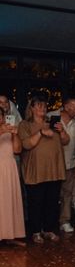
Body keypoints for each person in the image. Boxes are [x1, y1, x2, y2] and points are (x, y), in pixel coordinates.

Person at [18, 95, 69, 243]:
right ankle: (35, 231)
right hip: (36, 170)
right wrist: (40, 133)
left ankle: (48, 229)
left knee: (52, 202)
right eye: (39, 105)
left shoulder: (52, 122)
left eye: (44, 106)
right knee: (36, 202)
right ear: (32, 108)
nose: (43, 108)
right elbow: (26, 145)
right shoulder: (25, 124)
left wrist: (62, 131)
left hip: (54, 169)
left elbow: (66, 141)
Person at [48, 97, 75, 233]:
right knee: (52, 194)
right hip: (52, 164)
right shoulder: (52, 116)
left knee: (67, 194)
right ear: (67, 107)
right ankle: (49, 223)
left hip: (70, 162)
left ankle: (65, 220)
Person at [0, 105, 26, 246]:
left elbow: (17, 150)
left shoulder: (9, 130)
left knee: (8, 201)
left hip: (9, 167)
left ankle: (9, 234)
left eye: (1, 115)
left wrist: (15, 134)